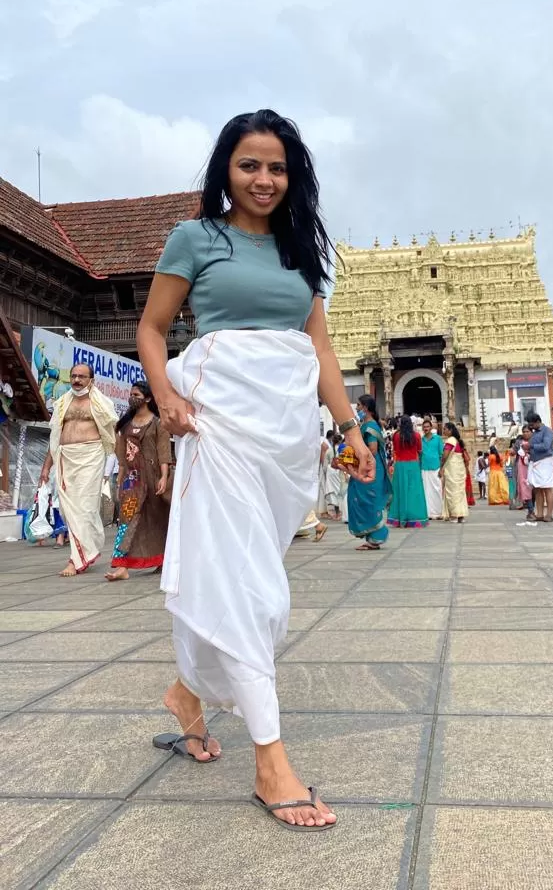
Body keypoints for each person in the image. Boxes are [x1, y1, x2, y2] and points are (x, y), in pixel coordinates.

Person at [138, 110, 376, 830]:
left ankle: (188, 695)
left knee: (249, 573)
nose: (264, 180)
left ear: (292, 174)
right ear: (226, 170)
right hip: (219, 423)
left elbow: (322, 352)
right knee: (254, 590)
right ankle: (270, 760)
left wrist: (350, 428)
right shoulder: (196, 238)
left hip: (286, 433)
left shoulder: (303, 253)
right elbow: (153, 329)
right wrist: (168, 396)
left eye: (277, 167)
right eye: (250, 165)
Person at [39, 363, 118, 576]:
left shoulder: (101, 403)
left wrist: (125, 466)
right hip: (65, 457)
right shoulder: (63, 403)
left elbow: (113, 434)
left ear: (91, 379)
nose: (76, 380)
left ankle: (75, 560)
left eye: (82, 376)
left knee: (84, 508)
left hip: (90, 457)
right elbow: (55, 437)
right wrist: (46, 467)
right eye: (73, 376)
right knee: (67, 509)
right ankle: (86, 550)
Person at [106, 382, 171, 581]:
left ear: (148, 398)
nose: (131, 397)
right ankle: (121, 565)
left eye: (136, 394)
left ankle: (163, 560)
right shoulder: (124, 424)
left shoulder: (158, 423)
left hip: (153, 478)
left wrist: (164, 477)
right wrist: (121, 479)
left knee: (158, 519)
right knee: (127, 518)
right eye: (131, 394)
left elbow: (163, 451)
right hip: (132, 481)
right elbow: (122, 456)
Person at [347, 394, 392, 549]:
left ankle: (375, 538)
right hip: (369, 465)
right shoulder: (368, 425)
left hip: (370, 467)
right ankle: (372, 538)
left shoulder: (370, 427)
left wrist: (356, 458)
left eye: (359, 405)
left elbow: (372, 449)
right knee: (363, 499)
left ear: (365, 407)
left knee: (368, 500)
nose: (357, 408)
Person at [388, 415, 428, 528]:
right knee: (414, 492)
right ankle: (415, 518)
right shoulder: (416, 435)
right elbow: (420, 451)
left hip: (400, 465)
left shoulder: (395, 435)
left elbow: (395, 451)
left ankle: (399, 518)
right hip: (413, 465)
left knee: (400, 491)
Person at [527, 413, 553, 522]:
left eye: (532, 424)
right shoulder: (534, 433)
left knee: (547, 488)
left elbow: (546, 446)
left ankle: (549, 514)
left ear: (538, 422)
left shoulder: (547, 431)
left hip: (545, 461)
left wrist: (531, 446)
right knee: (537, 489)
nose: (531, 427)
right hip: (535, 462)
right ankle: (539, 513)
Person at [440, 421, 469, 523]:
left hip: (452, 469)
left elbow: (445, 456)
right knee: (460, 492)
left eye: (445, 429)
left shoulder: (450, 441)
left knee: (452, 492)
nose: (443, 431)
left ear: (450, 430)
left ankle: (454, 515)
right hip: (459, 469)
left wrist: (441, 467)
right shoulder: (457, 441)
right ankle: (461, 516)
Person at [420, 418, 444, 521]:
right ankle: (428, 513)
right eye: (424, 427)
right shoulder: (421, 440)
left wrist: (442, 468)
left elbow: (442, 454)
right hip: (424, 468)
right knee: (426, 491)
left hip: (436, 467)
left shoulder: (438, 438)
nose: (426, 429)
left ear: (431, 428)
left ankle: (438, 512)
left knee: (437, 489)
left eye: (427, 427)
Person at [517, 426, 534, 519]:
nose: (525, 433)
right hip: (522, 467)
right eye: (524, 432)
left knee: (534, 488)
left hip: (533, 465)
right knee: (525, 488)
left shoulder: (535, 441)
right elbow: (513, 451)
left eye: (527, 431)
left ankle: (533, 509)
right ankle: (530, 510)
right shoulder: (519, 442)